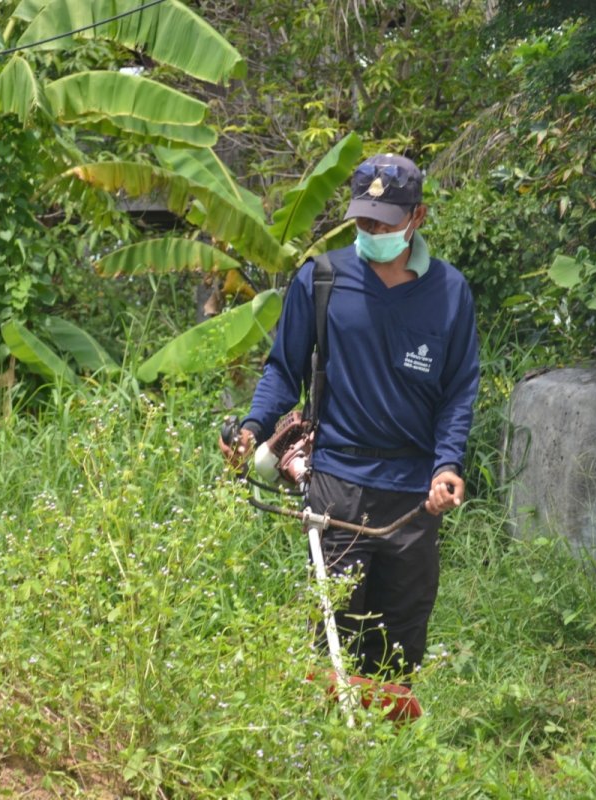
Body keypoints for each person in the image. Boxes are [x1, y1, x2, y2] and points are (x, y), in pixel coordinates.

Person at [220, 153, 480, 684]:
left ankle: (389, 751)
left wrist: (447, 466)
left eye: (385, 223)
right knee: (334, 637)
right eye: (363, 220)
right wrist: (251, 428)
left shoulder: (450, 293)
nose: (372, 231)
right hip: (339, 487)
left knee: (400, 644)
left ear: (418, 218)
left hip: (414, 496)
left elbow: (458, 391)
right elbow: (282, 369)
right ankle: (330, 748)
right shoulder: (322, 281)